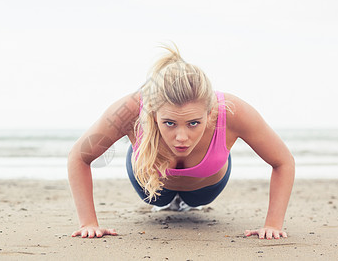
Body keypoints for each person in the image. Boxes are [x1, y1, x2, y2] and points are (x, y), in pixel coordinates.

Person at [68, 44, 295, 240]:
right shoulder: (130, 110)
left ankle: (185, 201)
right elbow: (79, 156)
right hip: (151, 187)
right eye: (169, 123)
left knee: (195, 202)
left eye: (194, 123)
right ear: (153, 113)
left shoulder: (234, 112)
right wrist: (88, 223)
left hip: (205, 189)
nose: (182, 138)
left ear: (210, 114)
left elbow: (283, 161)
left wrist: (273, 225)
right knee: (159, 199)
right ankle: (166, 200)